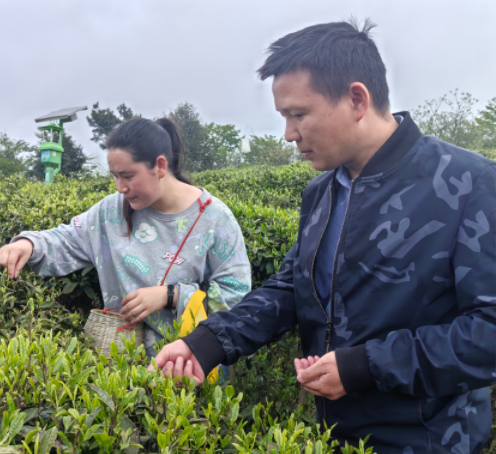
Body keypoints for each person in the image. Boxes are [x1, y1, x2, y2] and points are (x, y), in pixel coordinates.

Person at [151, 20, 496, 453]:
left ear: (356, 99)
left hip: (431, 440)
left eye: (298, 114)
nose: (289, 134)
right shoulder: (322, 192)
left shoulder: (470, 183)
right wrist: (207, 342)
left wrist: (364, 366)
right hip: (332, 436)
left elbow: (489, 331)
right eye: (284, 117)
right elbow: (291, 290)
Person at [0, 117, 252, 359]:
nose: (120, 187)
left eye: (128, 176)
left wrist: (171, 295)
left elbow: (236, 299)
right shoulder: (111, 211)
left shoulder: (215, 219)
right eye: (115, 176)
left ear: (160, 166)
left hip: (187, 378)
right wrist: (28, 245)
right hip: (120, 375)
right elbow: (67, 239)